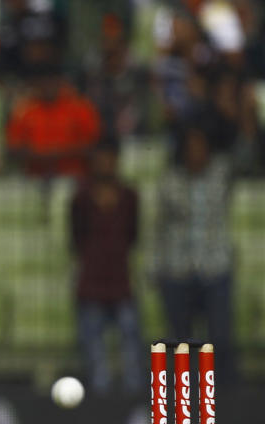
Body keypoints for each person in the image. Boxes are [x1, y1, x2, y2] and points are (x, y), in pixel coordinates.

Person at [154, 123, 237, 385]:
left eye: (201, 145)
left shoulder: (221, 174)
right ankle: (183, 399)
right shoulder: (169, 182)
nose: (196, 151)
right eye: (191, 146)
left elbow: (246, 153)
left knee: (221, 339)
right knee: (181, 343)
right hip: (177, 270)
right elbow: (158, 227)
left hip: (216, 268)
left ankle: (226, 396)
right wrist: (156, 268)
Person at [68, 137, 145, 395]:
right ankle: (100, 414)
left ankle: (135, 409)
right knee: (96, 362)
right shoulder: (80, 198)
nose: (104, 164)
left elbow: (133, 235)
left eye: (109, 158)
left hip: (122, 284)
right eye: (100, 159)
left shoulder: (129, 197)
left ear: (116, 161)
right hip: (90, 285)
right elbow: (76, 239)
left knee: (132, 356)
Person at [5, 64, 102, 179]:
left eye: (51, 81)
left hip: (75, 177)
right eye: (43, 82)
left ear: (61, 82)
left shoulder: (80, 107)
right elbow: (13, 149)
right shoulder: (23, 110)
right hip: (34, 178)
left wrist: (58, 154)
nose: (47, 87)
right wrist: (41, 155)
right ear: (36, 84)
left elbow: (94, 146)